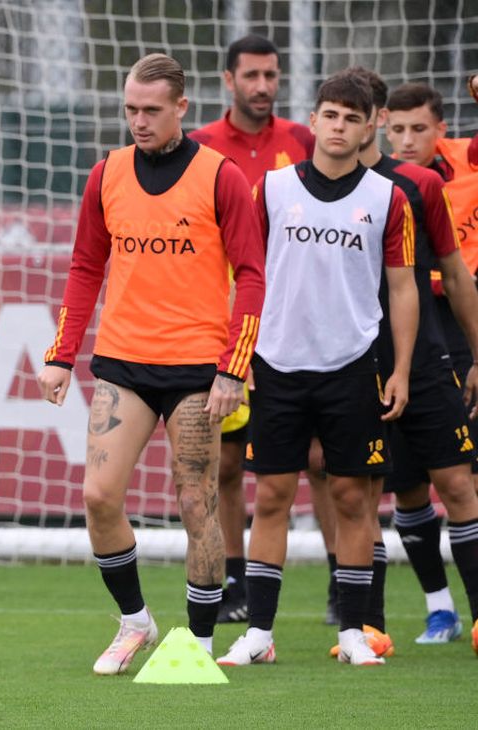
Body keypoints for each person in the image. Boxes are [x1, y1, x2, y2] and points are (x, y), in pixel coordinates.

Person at [37, 53, 265, 671]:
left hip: (198, 368)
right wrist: (61, 355)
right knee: (99, 496)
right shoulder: (106, 173)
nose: (138, 121)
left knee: (197, 502)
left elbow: (251, 275)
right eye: (130, 109)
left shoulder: (220, 177)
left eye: (151, 110)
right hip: (123, 363)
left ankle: (197, 644)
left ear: (182, 108)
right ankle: (136, 622)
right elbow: (86, 268)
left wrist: (232, 368)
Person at [216, 72, 419, 667]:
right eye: (330, 114)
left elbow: (403, 290)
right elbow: (245, 276)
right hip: (276, 364)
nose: (339, 127)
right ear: (313, 119)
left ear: (370, 126)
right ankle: (259, 633)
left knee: (354, 498)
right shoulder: (273, 189)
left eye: (352, 118)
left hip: (353, 366)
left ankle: (354, 631)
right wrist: (240, 355)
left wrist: (401, 368)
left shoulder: (388, 198)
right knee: (273, 494)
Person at [188, 34, 341, 625]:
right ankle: (232, 583)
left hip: (298, 325)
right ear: (228, 80)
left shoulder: (302, 142)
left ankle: (338, 579)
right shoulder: (201, 148)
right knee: (225, 463)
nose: (262, 86)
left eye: (271, 76)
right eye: (251, 75)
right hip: (229, 325)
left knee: (320, 459)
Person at [386, 81, 478, 653]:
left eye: (419, 128)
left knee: (462, 478)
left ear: (441, 129)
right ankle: (438, 608)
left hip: (460, 324)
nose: (407, 139)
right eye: (396, 128)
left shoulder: (467, 160)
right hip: (399, 336)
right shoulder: (369, 183)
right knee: (408, 483)